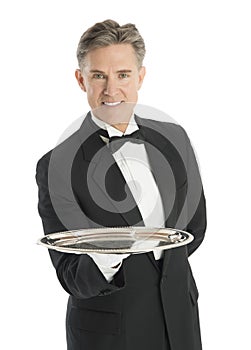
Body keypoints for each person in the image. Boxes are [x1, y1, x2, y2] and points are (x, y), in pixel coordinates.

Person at [36, 19, 207, 350]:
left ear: (140, 77)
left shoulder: (174, 137)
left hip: (180, 320)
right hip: (109, 334)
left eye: (123, 75)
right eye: (99, 75)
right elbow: (71, 274)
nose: (111, 90)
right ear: (80, 79)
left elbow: (194, 229)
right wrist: (110, 252)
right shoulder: (56, 166)